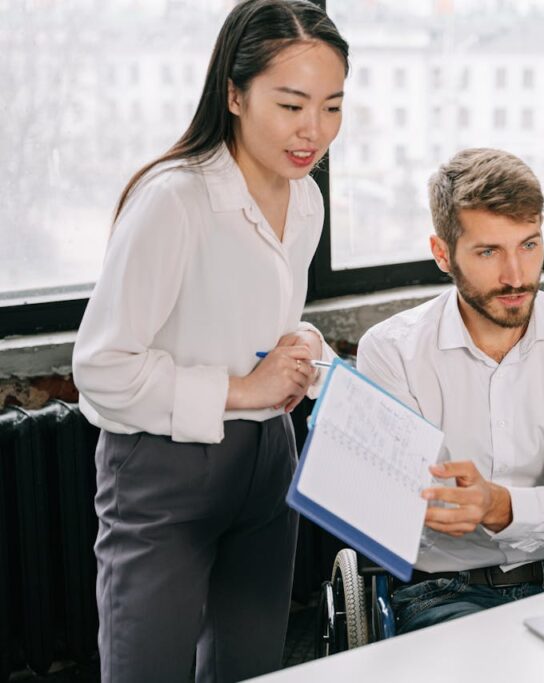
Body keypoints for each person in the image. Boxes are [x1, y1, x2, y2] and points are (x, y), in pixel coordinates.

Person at [71, 2, 348, 680]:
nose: (313, 130)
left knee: (249, 668)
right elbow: (101, 367)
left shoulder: (304, 196)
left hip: (267, 464)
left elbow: (260, 321)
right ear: (233, 92)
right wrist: (243, 388)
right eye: (291, 105)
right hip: (163, 473)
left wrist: (300, 346)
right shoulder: (173, 201)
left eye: (333, 106)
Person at [355, 148, 544, 634]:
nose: (516, 276)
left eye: (529, 245)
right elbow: (393, 510)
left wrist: (497, 505)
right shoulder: (392, 351)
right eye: (489, 252)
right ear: (443, 253)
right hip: (442, 591)